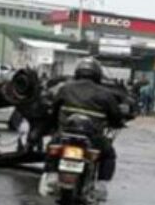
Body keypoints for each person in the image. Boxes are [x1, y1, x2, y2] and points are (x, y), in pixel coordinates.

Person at [53, 58, 125, 187]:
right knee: (109, 155)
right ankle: (102, 184)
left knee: (52, 147)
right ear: (97, 75)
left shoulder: (65, 88)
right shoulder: (106, 93)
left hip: (66, 133)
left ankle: (51, 174)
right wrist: (119, 122)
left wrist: (54, 123)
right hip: (93, 137)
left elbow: (54, 109)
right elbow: (115, 115)